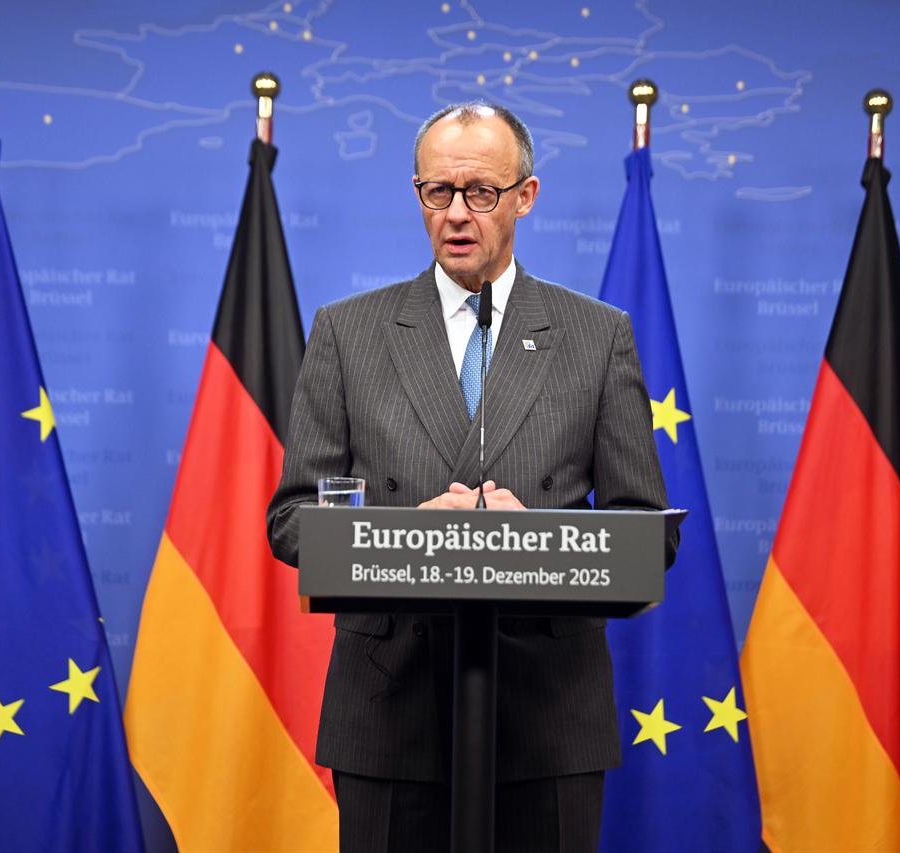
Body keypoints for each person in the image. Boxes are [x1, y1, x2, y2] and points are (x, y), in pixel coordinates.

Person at [267, 101, 675, 853]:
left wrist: (543, 538)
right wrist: (408, 533)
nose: (458, 213)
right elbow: (293, 518)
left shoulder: (596, 337)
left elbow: (646, 533)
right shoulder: (347, 333)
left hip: (547, 714)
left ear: (526, 195)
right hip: (391, 712)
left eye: (481, 192)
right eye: (437, 191)